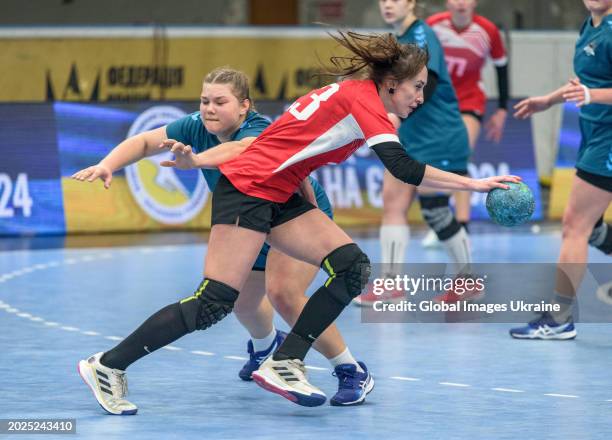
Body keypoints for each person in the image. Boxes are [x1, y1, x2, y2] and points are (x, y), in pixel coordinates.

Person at [77, 30, 520, 410]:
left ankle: (285, 361)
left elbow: (293, 149)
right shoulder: (364, 101)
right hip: (250, 189)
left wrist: (307, 204)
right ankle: (107, 365)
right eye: (416, 87)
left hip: (282, 191)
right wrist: (476, 185)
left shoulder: (352, 95)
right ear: (391, 82)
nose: (420, 98)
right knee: (215, 302)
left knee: (352, 266)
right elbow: (403, 169)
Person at [74, 67, 373, 413]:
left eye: (220, 101)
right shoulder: (195, 127)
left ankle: (350, 370)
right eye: (204, 101)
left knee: (284, 294)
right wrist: (108, 164)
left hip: (292, 214)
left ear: (244, 106)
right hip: (247, 219)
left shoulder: (258, 128)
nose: (209, 108)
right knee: (236, 302)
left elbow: (241, 150)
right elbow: (143, 142)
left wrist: (198, 160)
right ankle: (264, 350)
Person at [356, 0, 475, 306]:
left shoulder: (422, 34)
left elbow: (429, 82)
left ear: (411, 3)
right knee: (413, 208)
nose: (387, 5)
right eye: (383, 0)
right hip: (414, 137)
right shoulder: (397, 40)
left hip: (438, 136)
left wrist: (399, 115)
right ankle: (398, 283)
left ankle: (457, 282)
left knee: (415, 207)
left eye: (395, 0)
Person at [510, 0, 612, 340]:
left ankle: (560, 317)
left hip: (608, 140)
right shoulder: (590, 25)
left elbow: (590, 89)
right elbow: (583, 82)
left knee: (575, 225)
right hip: (594, 133)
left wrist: (591, 95)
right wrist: (549, 100)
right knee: (591, 224)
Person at [424, 0, 509, 247]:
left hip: (469, 102)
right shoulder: (432, 27)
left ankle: (462, 227)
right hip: (435, 103)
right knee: (432, 161)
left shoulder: (488, 30)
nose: (461, 2)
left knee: (460, 156)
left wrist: (502, 109)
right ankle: (441, 221)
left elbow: (502, 69)